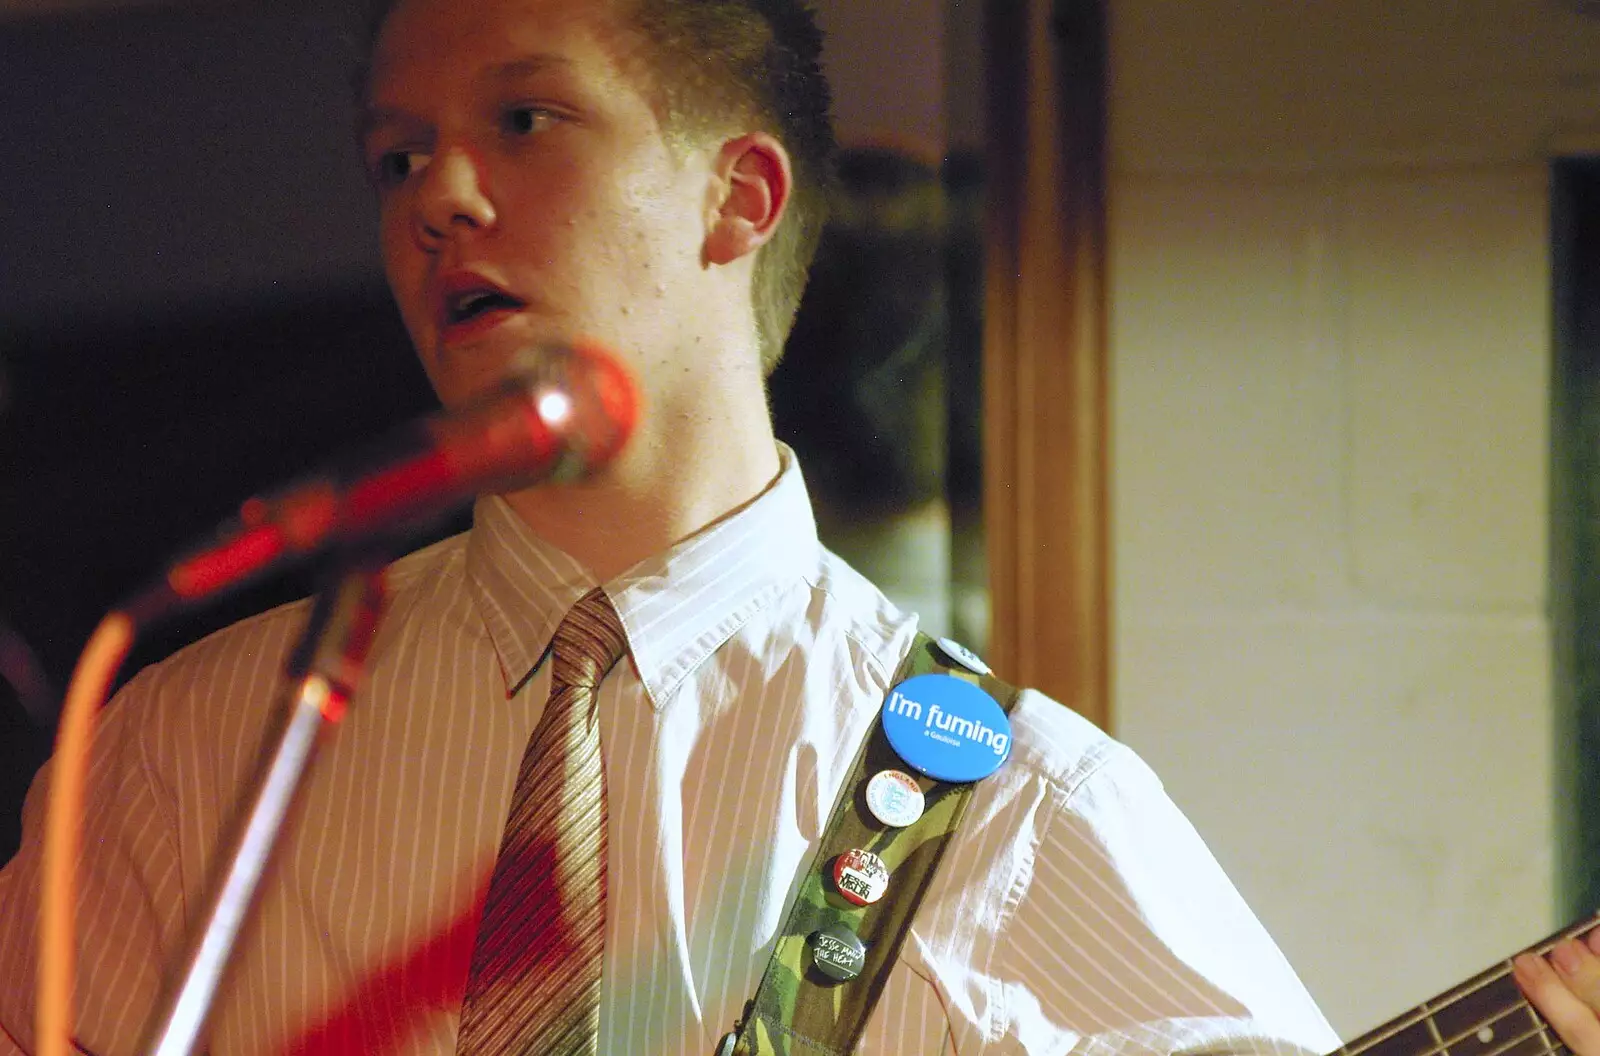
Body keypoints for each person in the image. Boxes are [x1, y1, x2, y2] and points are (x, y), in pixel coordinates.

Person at [0, 0, 1582, 1052]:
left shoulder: (1024, 812)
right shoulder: (186, 754)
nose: (440, 196)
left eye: (528, 122)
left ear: (736, 201)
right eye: (397, 154)